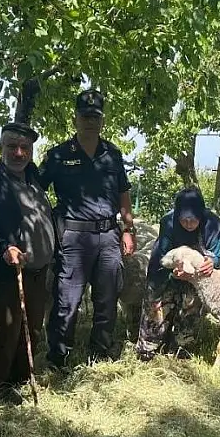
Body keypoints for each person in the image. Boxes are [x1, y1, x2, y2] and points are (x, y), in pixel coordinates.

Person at [38, 89, 136, 370]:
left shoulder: (112, 154)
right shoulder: (58, 155)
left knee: (107, 298)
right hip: (72, 237)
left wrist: (128, 229)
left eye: (95, 116)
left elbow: (123, 192)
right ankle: (58, 358)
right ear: (76, 119)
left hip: (108, 236)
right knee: (67, 301)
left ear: (101, 120)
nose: (90, 121)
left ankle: (101, 352)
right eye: (85, 116)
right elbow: (36, 189)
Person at [0, 122, 56, 404]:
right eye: (12, 147)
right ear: (0, 149)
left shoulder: (32, 177)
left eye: (25, 148)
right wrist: (4, 248)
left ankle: (18, 379)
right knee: (2, 330)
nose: (19, 153)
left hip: (36, 270)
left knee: (29, 326)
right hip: (8, 270)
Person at [136, 185, 220, 360]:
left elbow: (217, 253)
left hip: (196, 274)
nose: (188, 224)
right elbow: (163, 256)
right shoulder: (168, 222)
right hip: (165, 269)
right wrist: (173, 272)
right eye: (184, 220)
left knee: (191, 304)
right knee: (158, 306)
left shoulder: (213, 224)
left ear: (201, 215)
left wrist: (211, 262)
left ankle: (181, 347)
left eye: (193, 220)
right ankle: (149, 348)